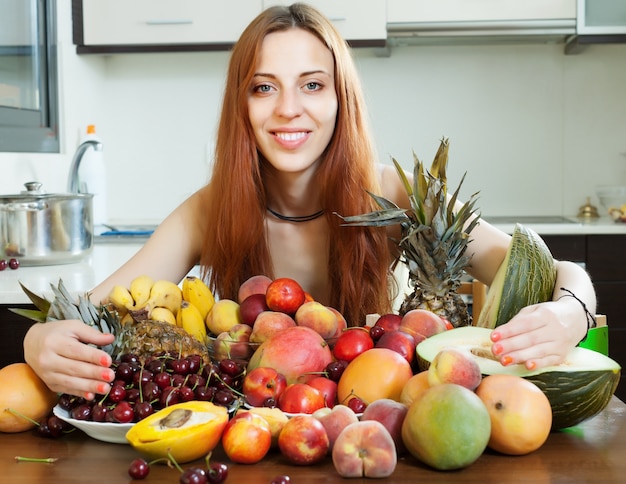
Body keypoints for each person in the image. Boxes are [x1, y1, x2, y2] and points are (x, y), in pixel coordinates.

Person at [23, 3, 595, 400]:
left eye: (313, 85)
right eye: (264, 86)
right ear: (242, 105)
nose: (288, 108)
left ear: (340, 99)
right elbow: (88, 314)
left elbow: (551, 267)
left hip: (379, 420)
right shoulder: (210, 208)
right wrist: (38, 337)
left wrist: (571, 312)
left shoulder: (395, 193)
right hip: (247, 432)